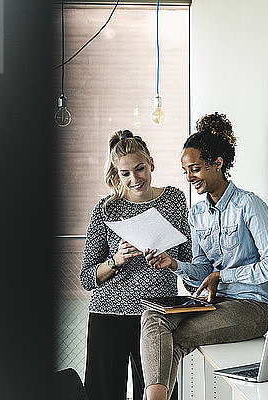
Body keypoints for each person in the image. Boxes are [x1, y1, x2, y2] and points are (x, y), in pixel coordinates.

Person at [141, 112, 268, 400]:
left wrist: (224, 275)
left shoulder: (249, 205)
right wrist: (175, 265)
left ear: (217, 164)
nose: (189, 178)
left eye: (194, 169)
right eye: (185, 171)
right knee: (152, 317)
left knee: (175, 339)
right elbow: (202, 269)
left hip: (250, 307)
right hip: (213, 303)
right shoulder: (197, 214)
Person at [80, 130, 192, 400]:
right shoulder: (106, 210)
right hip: (109, 315)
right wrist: (115, 260)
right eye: (125, 173)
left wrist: (170, 262)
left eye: (139, 169)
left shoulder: (174, 200)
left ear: (151, 163)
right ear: (117, 175)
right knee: (104, 394)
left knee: (160, 394)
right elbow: (87, 278)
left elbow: (189, 260)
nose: (134, 179)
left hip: (156, 316)